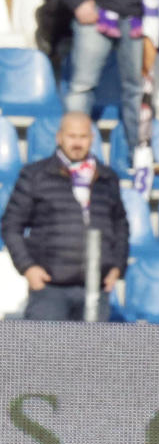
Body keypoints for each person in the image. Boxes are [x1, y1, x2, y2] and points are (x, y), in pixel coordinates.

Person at [0, 112, 128, 321]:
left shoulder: (107, 178)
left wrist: (117, 267)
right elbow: (11, 225)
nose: (77, 143)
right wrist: (29, 268)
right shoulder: (35, 175)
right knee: (45, 352)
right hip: (50, 289)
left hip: (96, 289)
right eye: (71, 136)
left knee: (91, 353)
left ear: (92, 139)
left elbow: (121, 225)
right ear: (59, 137)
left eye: (83, 137)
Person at [58, 0, 159, 167]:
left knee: (138, 90)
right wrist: (77, 0)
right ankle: (72, 160)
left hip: (137, 13)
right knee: (82, 87)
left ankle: (140, 157)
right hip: (95, 9)